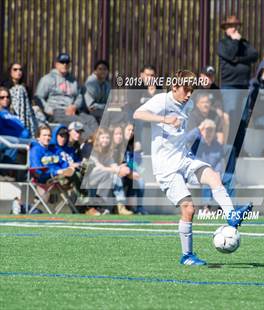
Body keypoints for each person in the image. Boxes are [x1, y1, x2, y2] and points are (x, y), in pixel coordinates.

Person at [134, 70, 252, 266]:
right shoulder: (162, 100)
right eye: (186, 90)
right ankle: (187, 256)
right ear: (174, 87)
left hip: (184, 159)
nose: (189, 94)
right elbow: (138, 114)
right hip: (166, 167)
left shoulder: (187, 103)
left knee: (214, 176)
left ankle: (231, 216)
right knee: (189, 209)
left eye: (192, 90)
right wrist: (164, 119)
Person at [35, 52, 98, 138]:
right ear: (56, 64)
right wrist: (50, 110)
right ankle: (92, 144)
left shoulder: (73, 80)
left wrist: (74, 106)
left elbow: (79, 96)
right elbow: (38, 97)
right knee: (78, 122)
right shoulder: (48, 79)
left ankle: (100, 141)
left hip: (72, 111)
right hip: (57, 111)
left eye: (67, 63)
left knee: (91, 119)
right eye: (62, 62)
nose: (64, 65)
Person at [218, 16, 258, 142]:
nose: (234, 29)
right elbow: (230, 55)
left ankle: (240, 147)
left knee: (243, 118)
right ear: (225, 29)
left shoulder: (244, 42)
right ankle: (230, 146)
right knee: (231, 117)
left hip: (243, 85)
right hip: (230, 85)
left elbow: (254, 55)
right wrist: (235, 42)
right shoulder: (222, 44)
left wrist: (238, 59)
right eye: (230, 26)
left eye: (235, 26)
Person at [84, 127, 132, 215]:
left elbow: (112, 164)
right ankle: (92, 207)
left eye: (107, 138)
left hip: (101, 176)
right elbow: (99, 167)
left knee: (115, 176)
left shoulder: (107, 150)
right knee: (112, 175)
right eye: (103, 137)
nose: (105, 140)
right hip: (86, 176)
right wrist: (118, 170)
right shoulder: (90, 147)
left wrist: (120, 169)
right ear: (97, 138)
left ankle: (120, 206)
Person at [1, 63, 38, 137]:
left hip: (25, 118)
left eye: (20, 70)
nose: (18, 72)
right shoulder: (5, 86)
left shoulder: (25, 87)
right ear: (10, 72)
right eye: (15, 69)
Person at [197, 66, 229, 143]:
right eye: (207, 76)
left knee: (225, 117)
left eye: (211, 76)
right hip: (197, 114)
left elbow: (219, 107)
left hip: (211, 114)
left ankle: (221, 147)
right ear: (201, 76)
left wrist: (216, 111)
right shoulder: (195, 87)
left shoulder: (216, 89)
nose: (210, 78)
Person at [0, 87, 30, 166]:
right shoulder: (1, 115)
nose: (5, 99)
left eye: (7, 97)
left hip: (22, 138)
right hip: (10, 139)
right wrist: (18, 134)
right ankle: (5, 171)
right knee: (13, 141)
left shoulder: (12, 113)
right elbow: (2, 130)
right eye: (2, 97)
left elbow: (23, 128)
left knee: (39, 142)